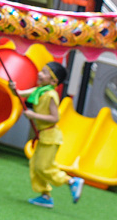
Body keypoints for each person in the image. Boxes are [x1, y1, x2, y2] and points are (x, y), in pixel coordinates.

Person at [12, 61, 84, 209]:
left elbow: (55, 118)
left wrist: (34, 115)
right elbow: (19, 94)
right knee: (35, 165)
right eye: (42, 70)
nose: (40, 73)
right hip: (44, 136)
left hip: (51, 136)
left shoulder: (51, 95)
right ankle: (45, 195)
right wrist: (13, 88)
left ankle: (70, 181)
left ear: (53, 81)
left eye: (45, 73)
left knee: (44, 167)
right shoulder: (40, 90)